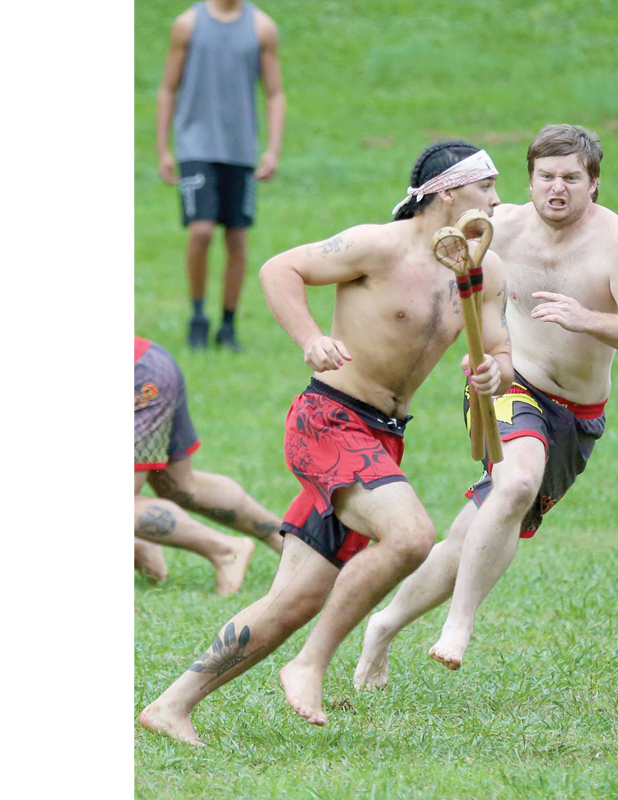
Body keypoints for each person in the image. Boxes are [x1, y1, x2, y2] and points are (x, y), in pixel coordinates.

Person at [139, 142, 511, 744]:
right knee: (413, 536)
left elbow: (498, 351)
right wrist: (310, 337)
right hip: (329, 421)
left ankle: (171, 705)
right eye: (486, 186)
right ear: (447, 191)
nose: (497, 199)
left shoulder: (481, 271)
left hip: (385, 439)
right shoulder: (377, 246)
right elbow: (278, 268)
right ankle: (309, 663)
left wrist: (497, 372)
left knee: (296, 598)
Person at [352, 124, 618, 687]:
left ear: (594, 184)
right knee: (517, 483)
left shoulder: (617, 245)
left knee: (474, 532)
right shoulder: (499, 228)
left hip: (577, 415)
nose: (557, 189)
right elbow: (420, 242)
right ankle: (459, 626)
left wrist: (587, 318)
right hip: (509, 385)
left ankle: (385, 624)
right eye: (546, 177)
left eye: (572, 178)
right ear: (530, 179)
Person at [157, 0, 286, 351]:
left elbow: (274, 93)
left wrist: (272, 149)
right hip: (195, 146)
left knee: (237, 239)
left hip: (240, 149)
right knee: (200, 231)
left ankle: (228, 325)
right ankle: (198, 317)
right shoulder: (187, 24)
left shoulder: (262, 28)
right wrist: (164, 148)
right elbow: (168, 88)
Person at [134, 336, 284, 595]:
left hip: (139, 377)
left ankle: (225, 550)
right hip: (147, 361)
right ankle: (289, 543)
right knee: (180, 486)